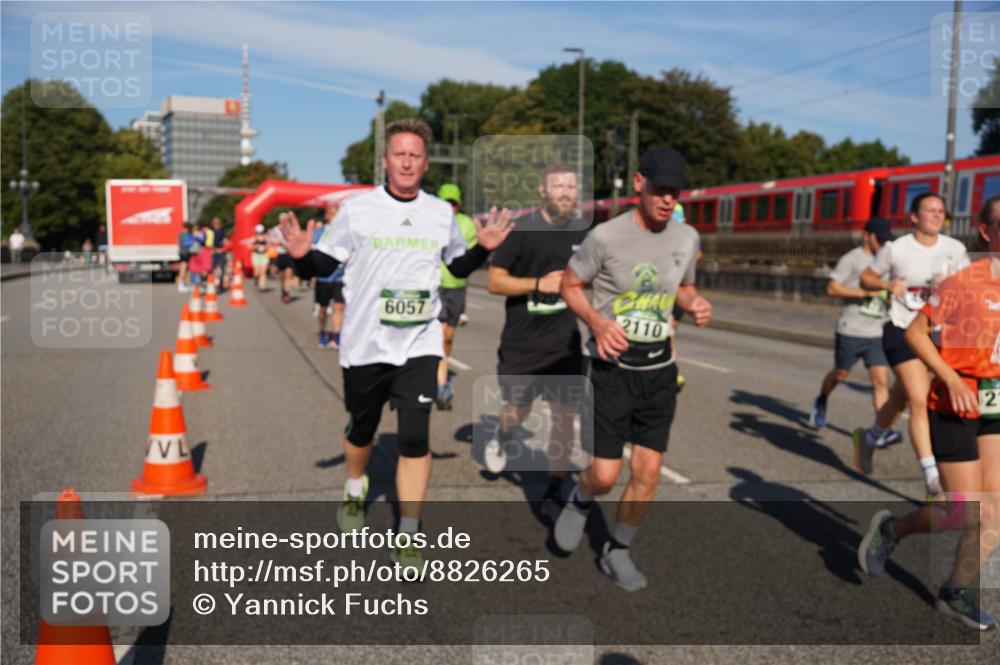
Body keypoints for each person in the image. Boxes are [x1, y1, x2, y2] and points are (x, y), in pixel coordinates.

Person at [282, 119, 513, 570]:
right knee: (361, 430)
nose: (407, 162)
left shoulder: (439, 213)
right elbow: (323, 264)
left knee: (414, 437)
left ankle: (408, 533)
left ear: (425, 163)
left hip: (419, 343)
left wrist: (482, 250)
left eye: (415, 155)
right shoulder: (358, 210)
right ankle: (355, 486)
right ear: (385, 160)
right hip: (365, 345)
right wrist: (301, 257)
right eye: (399, 154)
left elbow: (456, 267)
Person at [553, 147, 711, 591]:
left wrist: (694, 302)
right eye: (660, 189)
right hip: (611, 370)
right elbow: (570, 285)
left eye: (675, 192)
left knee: (648, 472)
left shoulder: (687, 237)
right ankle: (581, 496)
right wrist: (597, 322)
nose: (667, 199)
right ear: (639, 183)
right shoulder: (605, 236)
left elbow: (684, 287)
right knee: (604, 475)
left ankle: (617, 550)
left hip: (659, 369)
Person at [858, 194, 1000, 632]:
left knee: (995, 511)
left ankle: (955, 592)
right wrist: (951, 379)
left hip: (994, 404)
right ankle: (893, 530)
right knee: (965, 512)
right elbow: (917, 334)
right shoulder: (966, 281)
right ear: (987, 232)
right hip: (954, 404)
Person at [482, 163, 589, 519]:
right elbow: (495, 282)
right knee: (517, 410)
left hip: (565, 343)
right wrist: (539, 284)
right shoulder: (522, 231)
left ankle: (554, 489)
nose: (565, 192)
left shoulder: (584, 232)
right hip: (523, 342)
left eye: (570, 186)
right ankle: (503, 435)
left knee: (564, 417)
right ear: (543, 191)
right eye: (557, 186)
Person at [856, 193, 969, 497]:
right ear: (914, 217)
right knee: (920, 399)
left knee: (900, 397)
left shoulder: (955, 249)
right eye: (930, 210)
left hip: (938, 333)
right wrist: (887, 284)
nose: (936, 215)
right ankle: (933, 478)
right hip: (902, 328)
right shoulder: (896, 249)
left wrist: (953, 286)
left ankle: (869, 439)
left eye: (941, 211)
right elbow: (866, 278)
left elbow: (969, 287)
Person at [809, 217, 903, 446]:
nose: (883, 245)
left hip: (877, 331)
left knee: (881, 381)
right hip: (851, 329)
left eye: (886, 241)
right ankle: (822, 399)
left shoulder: (887, 261)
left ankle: (882, 431)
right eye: (880, 240)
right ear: (866, 236)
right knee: (840, 374)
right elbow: (832, 287)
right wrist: (863, 294)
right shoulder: (852, 258)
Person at [435, 183, 478, 410]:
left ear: (459, 204)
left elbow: (469, 256)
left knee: (448, 337)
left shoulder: (467, 224)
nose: (450, 207)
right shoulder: (431, 220)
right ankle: (441, 383)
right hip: (434, 284)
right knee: (437, 333)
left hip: (457, 286)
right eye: (446, 202)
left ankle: (439, 370)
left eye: (453, 203)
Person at [312, 202, 342, 349]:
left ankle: (337, 335)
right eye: (331, 214)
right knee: (323, 309)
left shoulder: (345, 232)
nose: (333, 216)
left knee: (339, 307)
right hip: (323, 277)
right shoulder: (318, 233)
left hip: (340, 277)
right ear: (326, 216)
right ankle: (323, 331)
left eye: (336, 214)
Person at [269, 223, 295, 303]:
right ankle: (283, 290)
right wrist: (279, 242)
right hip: (281, 255)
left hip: (290, 255)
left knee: (289, 275)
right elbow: (271, 240)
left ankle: (287, 294)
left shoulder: (292, 231)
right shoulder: (277, 231)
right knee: (282, 276)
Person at [211, 217, 230, 290]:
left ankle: (220, 285)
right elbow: (209, 243)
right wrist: (214, 249)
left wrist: (226, 244)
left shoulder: (222, 232)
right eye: (215, 223)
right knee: (213, 268)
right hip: (214, 252)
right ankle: (213, 284)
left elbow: (225, 240)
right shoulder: (211, 232)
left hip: (222, 252)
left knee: (222, 268)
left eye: (218, 223)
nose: (217, 225)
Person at [177, 222, 196, 292]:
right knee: (184, 268)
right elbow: (191, 243)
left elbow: (179, 243)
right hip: (186, 252)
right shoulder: (187, 234)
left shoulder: (180, 234)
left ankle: (184, 283)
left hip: (182, 252)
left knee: (185, 268)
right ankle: (181, 284)